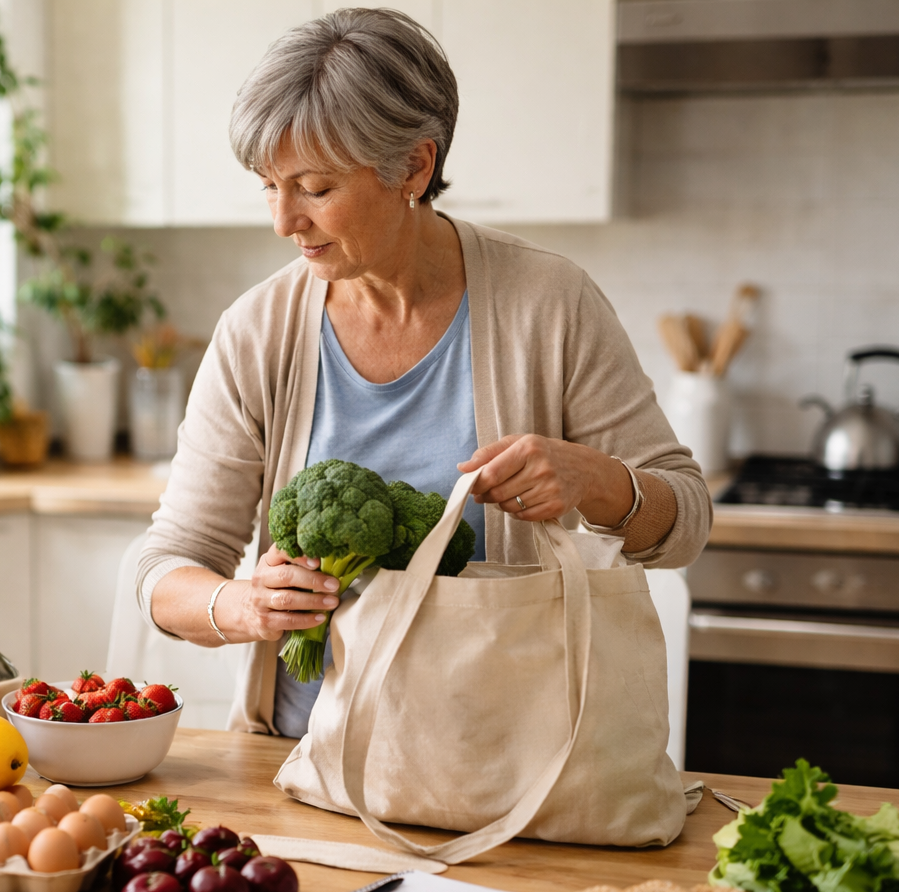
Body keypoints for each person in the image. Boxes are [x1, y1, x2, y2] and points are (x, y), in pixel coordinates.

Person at [136, 8, 711, 738]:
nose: (284, 221)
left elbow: (685, 521)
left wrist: (597, 480)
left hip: (508, 767)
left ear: (414, 166)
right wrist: (241, 604)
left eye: (314, 188)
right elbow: (166, 567)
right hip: (300, 759)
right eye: (268, 186)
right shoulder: (258, 330)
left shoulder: (550, 304)